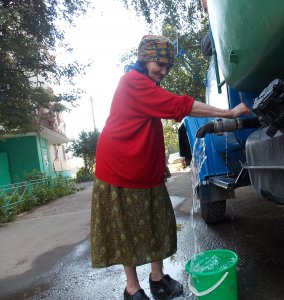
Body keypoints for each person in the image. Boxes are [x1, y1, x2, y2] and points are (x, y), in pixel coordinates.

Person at [91, 35, 250, 300]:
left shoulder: (146, 85)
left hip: (146, 170)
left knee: (158, 223)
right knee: (125, 230)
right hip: (118, 169)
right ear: (145, 59)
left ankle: (158, 278)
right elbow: (181, 105)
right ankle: (132, 289)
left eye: (168, 66)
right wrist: (229, 112)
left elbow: (149, 128)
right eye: (159, 64)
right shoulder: (132, 82)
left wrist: (160, 165)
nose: (163, 71)